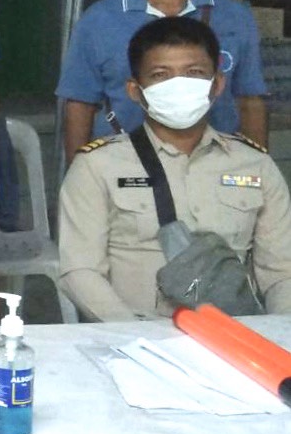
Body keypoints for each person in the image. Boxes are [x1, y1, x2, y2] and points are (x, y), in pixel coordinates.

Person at [58, 17, 290, 321]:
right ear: (135, 90)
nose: (178, 85)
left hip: (235, 334)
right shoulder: (97, 166)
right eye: (160, 75)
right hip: (135, 333)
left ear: (217, 84)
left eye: (194, 73)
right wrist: (135, 335)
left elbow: (282, 272)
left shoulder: (255, 164)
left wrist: (278, 332)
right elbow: (80, 271)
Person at [57, 0, 267, 164]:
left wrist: (259, 170)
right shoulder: (98, 20)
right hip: (125, 165)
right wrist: (79, 173)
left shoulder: (235, 17)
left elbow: (250, 100)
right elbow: (80, 104)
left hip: (215, 163)